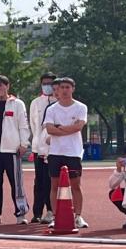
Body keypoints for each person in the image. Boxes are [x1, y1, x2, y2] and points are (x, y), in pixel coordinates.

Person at [0, 75, 30, 225]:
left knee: (16, 183)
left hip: (12, 150)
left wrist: (24, 143)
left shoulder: (17, 104)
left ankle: (21, 213)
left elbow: (23, 125)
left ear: (7, 86)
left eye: (1, 85)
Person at [44, 76, 89, 228]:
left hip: (73, 152)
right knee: (54, 185)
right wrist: (69, 128)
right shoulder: (52, 109)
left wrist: (60, 128)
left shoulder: (81, 107)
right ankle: (55, 217)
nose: (64, 90)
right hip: (55, 152)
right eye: (62, 87)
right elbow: (50, 129)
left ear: (73, 89)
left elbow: (78, 127)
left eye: (67, 87)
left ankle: (78, 216)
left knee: (76, 185)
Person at [28, 72, 57, 224]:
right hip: (38, 148)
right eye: (44, 83)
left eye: (50, 83)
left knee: (52, 180)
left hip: (55, 148)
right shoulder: (36, 102)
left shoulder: (60, 102)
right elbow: (33, 125)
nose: (47, 86)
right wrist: (37, 143)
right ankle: (37, 212)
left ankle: (52, 210)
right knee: (39, 181)